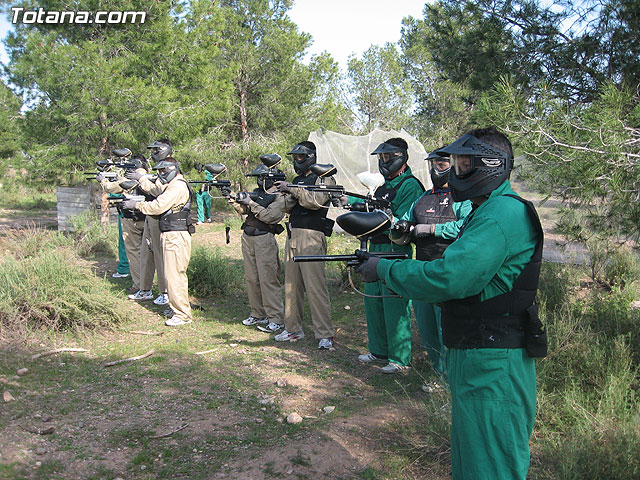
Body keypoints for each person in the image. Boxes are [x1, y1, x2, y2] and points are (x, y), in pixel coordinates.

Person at [356, 127, 545, 479]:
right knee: (474, 459)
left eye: (463, 163)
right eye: (454, 162)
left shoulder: (501, 213)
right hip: (478, 352)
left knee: (489, 465)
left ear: (490, 165)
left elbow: (450, 278)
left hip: (492, 360)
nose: (453, 171)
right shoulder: (488, 208)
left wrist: (385, 269)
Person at [390, 151, 472, 384]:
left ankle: (452, 378)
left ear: (453, 166)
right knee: (427, 329)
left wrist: (433, 230)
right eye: (434, 164)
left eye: (442, 163)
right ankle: (439, 374)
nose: (437, 169)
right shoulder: (423, 198)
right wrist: (399, 227)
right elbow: (403, 221)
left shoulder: (463, 199)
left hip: (448, 273)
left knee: (446, 328)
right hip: (422, 271)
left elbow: (465, 227)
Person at [353, 138, 425, 373]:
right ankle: (379, 350)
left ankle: (400, 358)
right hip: (375, 246)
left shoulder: (410, 185)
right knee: (372, 298)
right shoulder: (382, 184)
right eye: (381, 158)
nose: (384, 162)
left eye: (388, 158)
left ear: (401, 158)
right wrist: (349, 201)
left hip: (396, 249)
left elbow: (401, 219)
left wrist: (379, 214)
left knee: (394, 302)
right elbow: (368, 203)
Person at [273, 141, 336, 349]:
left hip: (312, 237)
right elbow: (287, 206)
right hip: (293, 236)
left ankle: (325, 334)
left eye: (301, 157)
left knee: (315, 287)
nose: (297, 161)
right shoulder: (299, 179)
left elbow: (314, 201)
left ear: (311, 156)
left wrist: (292, 188)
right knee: (291, 286)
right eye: (295, 157)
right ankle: (292, 329)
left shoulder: (324, 177)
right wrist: (280, 191)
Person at [125, 155, 195, 326]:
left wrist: (137, 206)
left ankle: (182, 314)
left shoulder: (177, 186)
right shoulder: (172, 185)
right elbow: (158, 194)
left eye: (163, 170)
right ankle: (176, 309)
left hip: (176, 235)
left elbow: (158, 206)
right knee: (171, 275)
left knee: (174, 276)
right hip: (171, 233)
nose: (161, 174)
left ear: (172, 169)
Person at [230, 161, 286, 333]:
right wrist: (233, 199)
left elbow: (270, 217)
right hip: (248, 237)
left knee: (268, 279)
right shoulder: (259, 193)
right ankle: (257, 313)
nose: (259, 181)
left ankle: (276, 318)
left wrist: (252, 203)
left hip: (264, 239)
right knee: (252, 279)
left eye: (262, 178)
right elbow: (245, 211)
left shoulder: (281, 195)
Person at [126, 139, 172, 306]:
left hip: (161, 217)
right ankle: (145, 290)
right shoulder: (158, 168)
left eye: (155, 150)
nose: (152, 154)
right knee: (146, 254)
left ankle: (165, 292)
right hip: (149, 216)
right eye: (152, 151)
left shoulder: (169, 167)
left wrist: (142, 178)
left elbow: (159, 189)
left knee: (160, 256)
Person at [98, 153, 150, 295]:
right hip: (148, 218)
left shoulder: (131, 176)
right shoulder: (149, 177)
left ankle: (140, 285)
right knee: (148, 254)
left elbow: (111, 188)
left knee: (134, 253)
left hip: (132, 219)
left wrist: (102, 180)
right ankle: (149, 286)